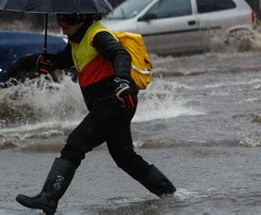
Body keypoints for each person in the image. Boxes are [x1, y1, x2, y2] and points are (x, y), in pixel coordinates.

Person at [16, 13, 176, 214]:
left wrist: (123, 81)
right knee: (124, 157)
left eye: (65, 24)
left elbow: (120, 54)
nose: (62, 29)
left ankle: (48, 198)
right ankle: (169, 193)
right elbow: (65, 59)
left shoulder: (97, 35)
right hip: (109, 105)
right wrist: (43, 61)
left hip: (115, 101)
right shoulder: (77, 39)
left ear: (79, 20)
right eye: (59, 24)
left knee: (75, 144)